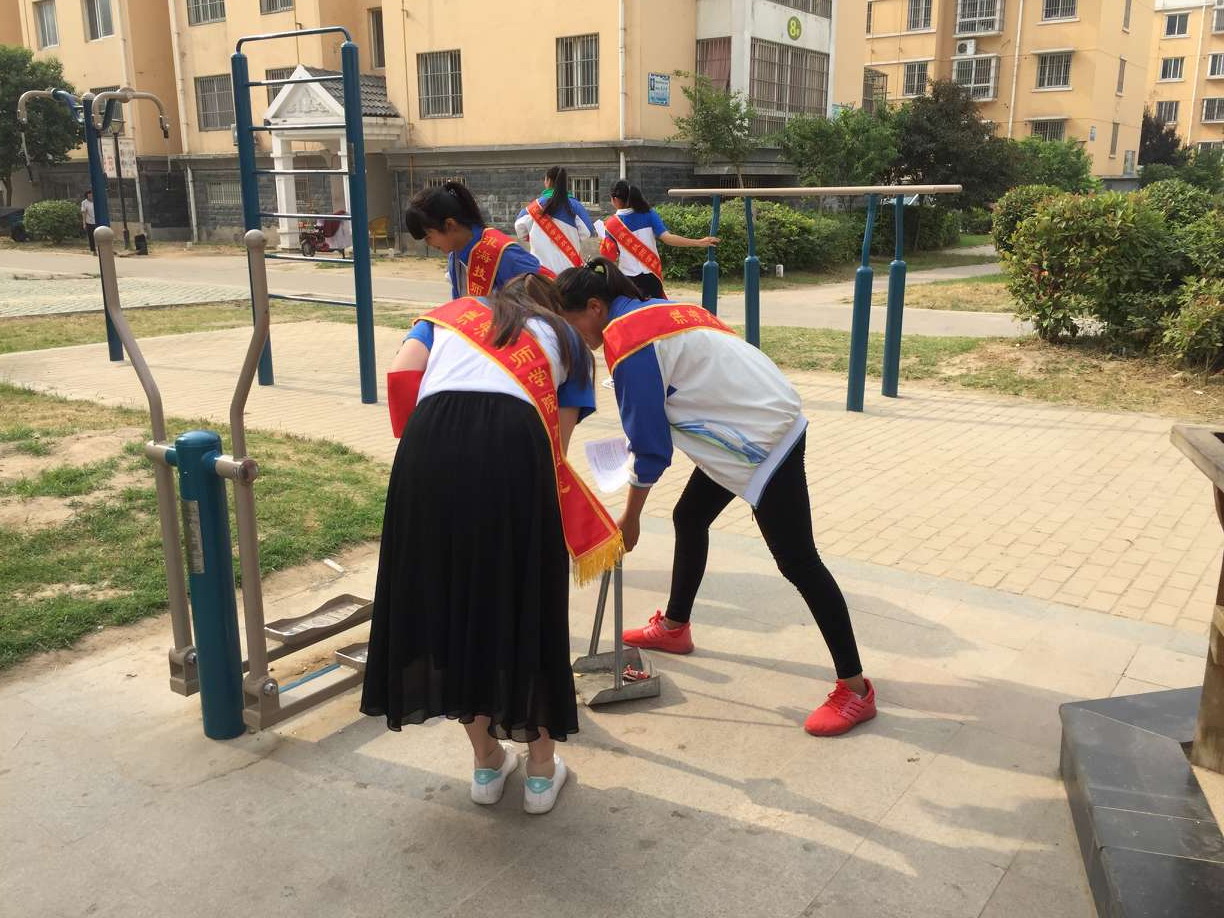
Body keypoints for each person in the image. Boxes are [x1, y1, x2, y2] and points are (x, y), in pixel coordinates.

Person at [554, 258, 877, 737]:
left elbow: (652, 448)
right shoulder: (657, 309)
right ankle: (675, 627)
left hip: (761, 438)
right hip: (749, 422)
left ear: (595, 307)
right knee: (689, 517)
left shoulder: (626, 341)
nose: (576, 337)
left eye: (572, 323)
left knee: (799, 561)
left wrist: (631, 517)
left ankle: (855, 688)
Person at [360, 273, 622, 814]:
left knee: (451, 601)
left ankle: (486, 763)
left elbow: (403, 372)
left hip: (428, 448)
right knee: (523, 604)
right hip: (514, 456)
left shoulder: (446, 318)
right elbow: (557, 446)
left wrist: (438, 452)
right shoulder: (567, 339)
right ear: (553, 307)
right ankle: (541, 773)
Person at [405, 181, 550, 298]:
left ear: (450, 225)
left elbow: (549, 296)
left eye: (428, 236)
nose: (428, 244)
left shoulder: (503, 254)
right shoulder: (455, 256)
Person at [596, 180, 718, 300]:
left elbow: (610, 257)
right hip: (652, 277)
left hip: (628, 280)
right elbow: (668, 238)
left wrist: (603, 242)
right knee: (655, 310)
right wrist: (698, 242)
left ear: (615, 199)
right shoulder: (649, 214)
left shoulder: (611, 225)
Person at [514, 166, 596, 276]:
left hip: (542, 274)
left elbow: (519, 228)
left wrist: (535, 236)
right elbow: (587, 232)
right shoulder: (575, 206)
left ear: (548, 181)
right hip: (568, 273)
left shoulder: (535, 206)